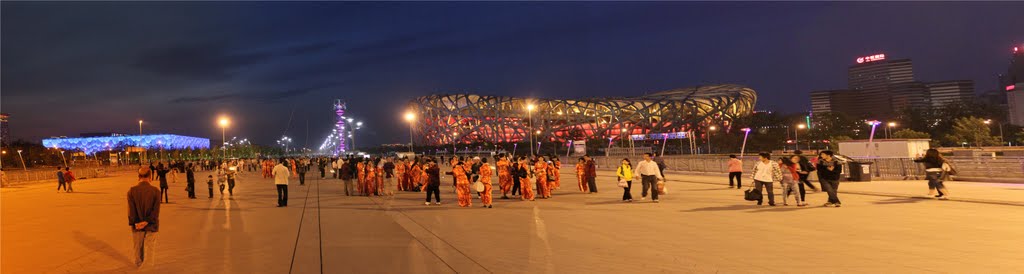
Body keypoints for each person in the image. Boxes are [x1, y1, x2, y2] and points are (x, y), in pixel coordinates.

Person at [128, 167, 161, 268]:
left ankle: (139, 266)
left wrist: (136, 223)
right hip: (151, 225)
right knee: (150, 251)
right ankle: (148, 269)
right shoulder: (156, 191)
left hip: (137, 226)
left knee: (138, 251)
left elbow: (131, 212)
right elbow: (155, 212)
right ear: (150, 176)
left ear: (138, 177)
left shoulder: (131, 191)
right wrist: (146, 221)